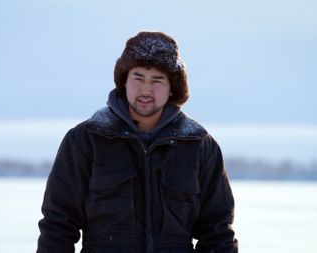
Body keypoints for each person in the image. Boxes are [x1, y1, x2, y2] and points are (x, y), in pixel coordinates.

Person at [37, 31, 238, 253]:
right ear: (124, 81)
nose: (146, 89)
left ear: (172, 86)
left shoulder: (199, 144)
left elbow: (217, 232)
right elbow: (58, 225)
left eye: (157, 80)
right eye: (138, 77)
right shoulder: (86, 139)